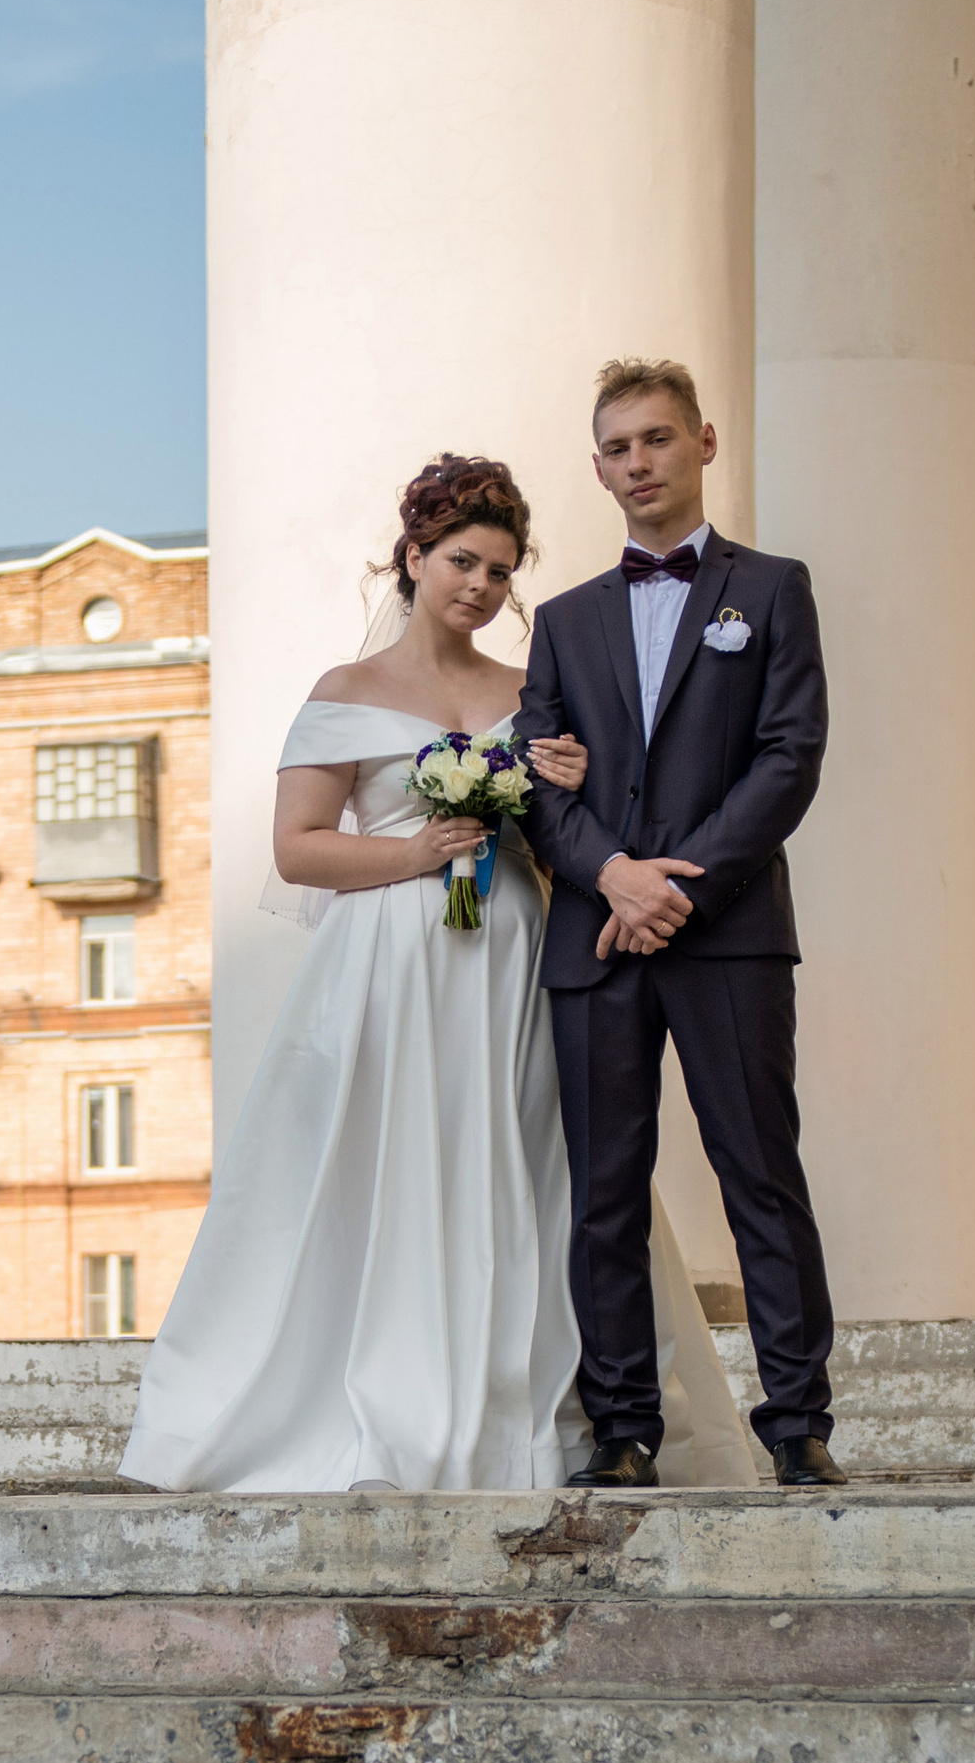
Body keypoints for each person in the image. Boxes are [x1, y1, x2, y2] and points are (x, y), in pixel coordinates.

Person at [122, 451, 755, 1495]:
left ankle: (544, 1405)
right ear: (413, 557)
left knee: (533, 1163)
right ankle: (389, 1391)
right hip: (389, 967)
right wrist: (418, 851)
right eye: (462, 560)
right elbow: (297, 849)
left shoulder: (529, 692)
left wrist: (570, 788)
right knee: (396, 1163)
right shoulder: (345, 692)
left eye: (501, 571)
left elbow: (571, 841)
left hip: (512, 956)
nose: (480, 586)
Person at [518, 359, 845, 1490]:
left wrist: (679, 891)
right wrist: (614, 876)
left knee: (760, 1172)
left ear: (703, 442)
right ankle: (622, 1429)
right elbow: (538, 781)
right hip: (595, 940)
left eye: (657, 438)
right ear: (598, 467)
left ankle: (797, 1422)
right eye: (617, 447)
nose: (638, 463)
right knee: (604, 1191)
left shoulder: (775, 589)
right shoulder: (561, 622)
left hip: (730, 933)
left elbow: (788, 758)